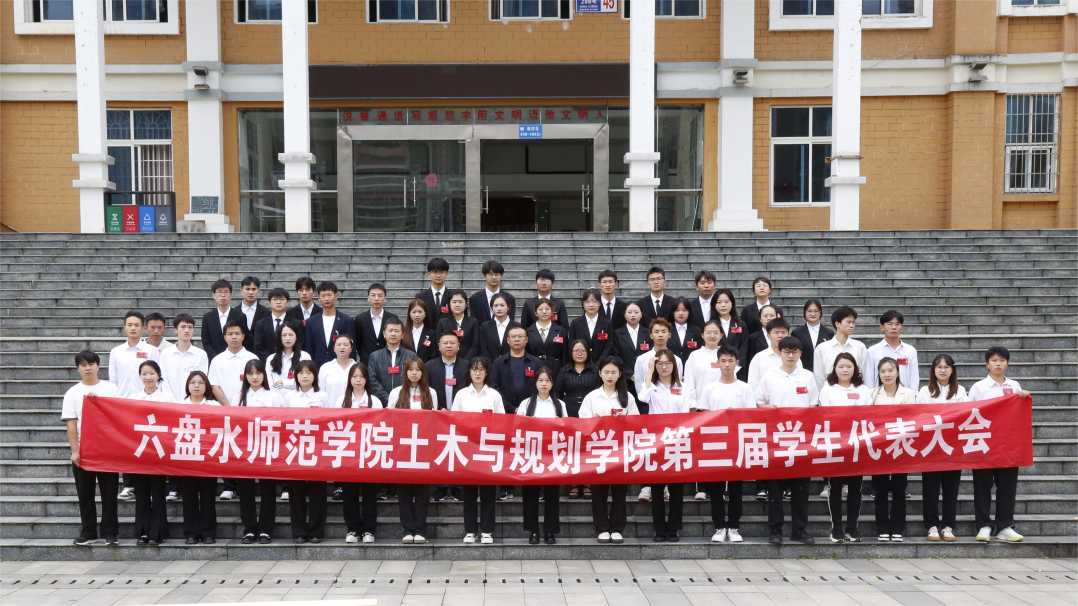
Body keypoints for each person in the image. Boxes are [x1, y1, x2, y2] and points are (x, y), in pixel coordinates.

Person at [755, 336, 818, 546]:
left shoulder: (807, 376)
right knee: (775, 488)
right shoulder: (769, 376)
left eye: (794, 352)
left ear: (800, 354)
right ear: (779, 353)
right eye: (787, 352)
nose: (790, 356)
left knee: (801, 488)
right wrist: (769, 409)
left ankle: (799, 529)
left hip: (802, 439)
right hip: (777, 439)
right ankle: (775, 529)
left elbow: (814, 405)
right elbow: (758, 403)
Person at [968, 346, 1031, 543]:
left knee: (1007, 486)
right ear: (987, 364)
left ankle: (1005, 526)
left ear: (1007, 364)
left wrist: (1023, 397)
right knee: (982, 486)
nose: (998, 364)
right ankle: (984, 525)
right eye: (994, 360)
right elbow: (970, 414)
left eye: (1002, 360)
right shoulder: (979, 388)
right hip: (984, 443)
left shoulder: (1015, 386)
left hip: (1008, 444)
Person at [694, 345, 752, 543]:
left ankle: (734, 527)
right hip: (715, 444)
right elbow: (704, 416)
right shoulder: (710, 388)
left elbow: (751, 416)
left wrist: (736, 415)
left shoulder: (745, 388)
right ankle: (719, 527)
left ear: (737, 363)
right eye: (723, 361)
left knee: (736, 488)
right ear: (717, 363)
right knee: (716, 489)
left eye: (730, 361)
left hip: (737, 444)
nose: (727, 365)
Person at [579, 355, 639, 544]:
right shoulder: (592, 397)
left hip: (620, 451)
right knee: (598, 492)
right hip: (598, 451)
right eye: (606, 372)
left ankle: (617, 528)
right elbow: (581, 422)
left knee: (620, 492)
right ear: (600, 373)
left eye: (614, 372)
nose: (610, 376)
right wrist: (593, 421)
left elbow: (637, 423)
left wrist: (624, 420)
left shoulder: (627, 397)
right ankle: (602, 528)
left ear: (620, 374)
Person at [63, 350, 121, 546]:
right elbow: (71, 424)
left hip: (107, 450)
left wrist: (99, 404)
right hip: (84, 450)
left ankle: (110, 532)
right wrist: (75, 450)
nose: (88, 368)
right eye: (83, 365)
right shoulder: (72, 393)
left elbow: (117, 417)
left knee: (110, 493)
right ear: (78, 369)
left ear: (98, 366)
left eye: (91, 364)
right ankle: (88, 531)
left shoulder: (110, 389)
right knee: (85, 493)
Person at [817, 353, 870, 544]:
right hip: (835, 444)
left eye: (849, 366)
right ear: (835, 369)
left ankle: (852, 527)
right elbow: (826, 417)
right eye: (841, 366)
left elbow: (867, 415)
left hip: (857, 444)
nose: (845, 370)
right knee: (836, 487)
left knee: (856, 487)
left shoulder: (863, 390)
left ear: (855, 368)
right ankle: (836, 528)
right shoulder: (827, 390)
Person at [638, 349, 690, 542]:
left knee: (676, 489)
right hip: (656, 442)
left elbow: (686, 413)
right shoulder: (651, 386)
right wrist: (649, 371)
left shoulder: (682, 387)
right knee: (657, 488)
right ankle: (659, 529)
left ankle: (674, 528)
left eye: (668, 363)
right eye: (660, 363)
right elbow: (642, 397)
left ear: (674, 365)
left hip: (677, 441)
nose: (664, 366)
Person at [451, 357, 504, 544]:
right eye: (474, 369)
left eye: (481, 369)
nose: (478, 373)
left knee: (488, 492)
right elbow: (454, 420)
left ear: (486, 372)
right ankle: (470, 531)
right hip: (467, 449)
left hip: (488, 449)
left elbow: (501, 422)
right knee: (469, 493)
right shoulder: (462, 395)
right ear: (469, 372)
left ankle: (487, 531)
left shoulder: (494, 396)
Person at [388, 358, 438, 544]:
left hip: (424, 448)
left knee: (422, 493)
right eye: (411, 369)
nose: (414, 373)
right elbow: (390, 420)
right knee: (404, 493)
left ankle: (420, 531)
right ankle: (407, 530)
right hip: (402, 448)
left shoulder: (431, 392)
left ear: (423, 372)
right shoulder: (396, 393)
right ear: (405, 372)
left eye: (418, 369)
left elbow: (434, 420)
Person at [917, 354, 967, 543]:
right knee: (930, 488)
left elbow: (965, 415)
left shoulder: (960, 391)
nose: (943, 370)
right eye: (939, 367)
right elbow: (919, 416)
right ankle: (931, 526)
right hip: (931, 445)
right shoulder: (925, 391)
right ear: (933, 370)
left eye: (946, 367)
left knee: (951, 488)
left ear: (952, 369)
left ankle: (948, 526)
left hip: (953, 446)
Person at [236, 359, 285, 544]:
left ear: (264, 375)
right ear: (245, 376)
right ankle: (249, 529)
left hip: (267, 448)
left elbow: (282, 422)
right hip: (245, 449)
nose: (254, 377)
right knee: (246, 491)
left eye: (258, 373)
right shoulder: (238, 397)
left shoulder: (274, 397)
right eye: (250, 373)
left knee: (268, 490)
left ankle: (265, 529)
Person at [868, 357, 916, 542]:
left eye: (890, 370)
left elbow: (912, 419)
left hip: (901, 446)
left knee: (899, 488)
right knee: (880, 489)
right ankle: (882, 528)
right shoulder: (872, 394)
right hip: (879, 447)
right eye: (882, 371)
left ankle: (897, 528)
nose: (886, 374)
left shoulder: (908, 393)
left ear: (897, 372)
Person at [517, 367, 564, 544]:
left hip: (552, 455)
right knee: (530, 494)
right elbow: (518, 428)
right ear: (535, 382)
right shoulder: (526, 404)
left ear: (553, 383)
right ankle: (533, 530)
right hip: (531, 454)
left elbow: (566, 430)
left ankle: (550, 531)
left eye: (548, 380)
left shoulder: (560, 404)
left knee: (552, 494)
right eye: (540, 380)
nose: (544, 384)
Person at [130, 360, 174, 545]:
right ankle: (143, 532)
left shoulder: (167, 398)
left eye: (152, 373)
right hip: (140, 452)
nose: (148, 377)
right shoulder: (134, 399)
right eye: (144, 374)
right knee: (141, 495)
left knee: (158, 494)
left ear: (158, 375)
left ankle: (157, 533)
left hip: (159, 452)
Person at [284, 360, 328, 543]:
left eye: (309, 373)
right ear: (295, 376)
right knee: (296, 493)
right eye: (301, 373)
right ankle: (299, 532)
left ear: (315, 376)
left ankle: (316, 531)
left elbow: (328, 422)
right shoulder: (289, 397)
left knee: (318, 492)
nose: (305, 376)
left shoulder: (322, 396)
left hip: (316, 449)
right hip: (294, 449)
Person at [340, 363, 382, 544]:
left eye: (361, 376)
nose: (358, 380)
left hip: (368, 452)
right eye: (354, 376)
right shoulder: (342, 401)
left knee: (369, 493)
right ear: (350, 379)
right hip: (347, 451)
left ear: (366, 379)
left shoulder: (375, 401)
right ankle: (352, 529)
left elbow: (380, 426)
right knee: (349, 493)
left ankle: (369, 530)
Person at [554, 339, 598, 499]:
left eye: (583, 350)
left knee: (587, 448)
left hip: (589, 413)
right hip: (570, 411)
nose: (579, 353)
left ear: (588, 352)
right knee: (572, 448)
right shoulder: (564, 371)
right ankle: (573, 482)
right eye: (576, 350)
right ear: (571, 353)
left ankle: (587, 483)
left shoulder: (595, 371)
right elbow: (557, 394)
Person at [179, 371, 219, 545]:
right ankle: (191, 533)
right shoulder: (179, 406)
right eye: (192, 382)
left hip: (208, 458)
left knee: (208, 496)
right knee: (189, 497)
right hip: (186, 456)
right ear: (187, 385)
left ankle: (208, 532)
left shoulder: (214, 405)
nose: (196, 386)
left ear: (206, 386)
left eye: (201, 382)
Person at [304, 281, 358, 367]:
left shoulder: (347, 321)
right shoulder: (311, 322)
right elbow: (309, 349)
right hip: (317, 368)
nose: (326, 298)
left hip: (340, 368)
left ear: (336, 296)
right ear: (318, 298)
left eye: (329, 295)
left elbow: (352, 349)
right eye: (323, 295)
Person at [813, 306, 867, 389]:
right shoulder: (822, 348)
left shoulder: (860, 347)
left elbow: (862, 374)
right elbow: (819, 378)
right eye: (849, 322)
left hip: (854, 393)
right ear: (837, 324)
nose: (852, 325)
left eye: (853, 322)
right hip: (829, 393)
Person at [491, 326, 541, 416]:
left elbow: (540, 386)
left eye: (520, 336)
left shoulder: (536, 362)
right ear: (508, 340)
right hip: (505, 411)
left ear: (526, 339)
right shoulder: (499, 362)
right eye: (513, 336)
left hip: (531, 410)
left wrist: (528, 407)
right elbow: (494, 387)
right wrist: (511, 408)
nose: (517, 339)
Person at [633, 318, 684, 407]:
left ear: (669, 335)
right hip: (647, 405)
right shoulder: (641, 359)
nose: (660, 335)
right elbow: (639, 386)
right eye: (656, 332)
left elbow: (677, 383)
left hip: (671, 405)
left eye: (664, 332)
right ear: (651, 335)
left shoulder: (676, 360)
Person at [207, 320, 259, 406]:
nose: (234, 337)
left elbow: (257, 384)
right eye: (230, 334)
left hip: (249, 407)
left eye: (237, 334)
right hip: (224, 408)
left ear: (243, 336)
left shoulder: (253, 358)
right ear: (225, 337)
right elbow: (214, 386)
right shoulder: (216, 360)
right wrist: (229, 407)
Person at [109, 311, 160, 398]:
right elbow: (113, 380)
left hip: (146, 399)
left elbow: (158, 378)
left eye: (136, 325)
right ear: (124, 328)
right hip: (122, 399)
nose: (133, 328)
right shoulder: (116, 352)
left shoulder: (152, 351)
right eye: (129, 325)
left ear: (143, 328)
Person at [864, 310, 919, 391]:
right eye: (890, 324)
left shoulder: (910, 351)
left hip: (904, 396)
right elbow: (869, 378)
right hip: (879, 395)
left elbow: (914, 377)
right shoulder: (872, 351)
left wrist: (913, 395)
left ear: (902, 328)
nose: (894, 327)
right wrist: (871, 395)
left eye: (897, 324)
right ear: (882, 327)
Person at [159, 313, 209, 402]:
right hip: (169, 402)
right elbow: (163, 380)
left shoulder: (201, 355)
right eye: (183, 327)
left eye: (190, 327)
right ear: (175, 329)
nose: (187, 330)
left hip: (193, 403)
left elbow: (202, 381)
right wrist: (171, 400)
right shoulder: (165, 354)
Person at [747, 317, 802, 394]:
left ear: (788, 335)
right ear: (768, 336)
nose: (780, 336)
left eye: (783, 332)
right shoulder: (759, 358)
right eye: (776, 332)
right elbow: (753, 385)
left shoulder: (794, 357)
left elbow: (800, 380)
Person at [368, 319, 417, 404]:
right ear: (384, 334)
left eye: (396, 331)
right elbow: (373, 380)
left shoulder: (411, 355)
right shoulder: (375, 356)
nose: (393, 334)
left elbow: (414, 379)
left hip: (405, 402)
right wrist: (389, 400)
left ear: (402, 335)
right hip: (381, 403)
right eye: (390, 331)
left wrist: (401, 399)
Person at [201, 279, 245, 361]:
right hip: (214, 360)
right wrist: (217, 359)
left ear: (231, 295)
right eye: (219, 292)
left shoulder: (240, 316)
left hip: (236, 359)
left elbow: (243, 339)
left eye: (226, 292)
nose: (223, 295)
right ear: (214, 295)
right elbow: (206, 342)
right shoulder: (207, 317)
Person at [357, 283, 398, 365]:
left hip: (387, 360)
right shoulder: (360, 319)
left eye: (380, 295)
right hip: (366, 361)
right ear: (368, 298)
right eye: (373, 295)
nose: (376, 299)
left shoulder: (392, 318)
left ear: (385, 298)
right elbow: (358, 342)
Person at [266, 319, 310, 396]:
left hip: (299, 398)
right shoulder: (271, 359)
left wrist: (287, 383)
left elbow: (307, 379)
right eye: (284, 335)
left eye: (291, 335)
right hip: (277, 400)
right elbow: (270, 384)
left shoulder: (304, 356)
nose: (287, 338)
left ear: (296, 337)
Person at [683, 320, 722, 404]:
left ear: (721, 335)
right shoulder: (694, 356)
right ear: (702, 335)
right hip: (700, 404)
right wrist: (692, 404)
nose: (712, 336)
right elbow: (689, 383)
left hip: (722, 404)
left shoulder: (726, 355)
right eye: (708, 333)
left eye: (716, 333)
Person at [568, 289, 613, 363]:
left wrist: (599, 364)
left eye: (595, 301)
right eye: (587, 301)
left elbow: (608, 346)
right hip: (581, 364)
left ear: (600, 303)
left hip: (602, 365)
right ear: (583, 304)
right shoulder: (575, 323)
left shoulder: (607, 323)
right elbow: (572, 345)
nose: (591, 304)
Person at [426, 332, 468, 411]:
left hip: (461, 412)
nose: (449, 346)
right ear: (439, 346)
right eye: (445, 343)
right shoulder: (429, 366)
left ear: (458, 346)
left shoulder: (467, 366)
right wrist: (439, 408)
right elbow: (426, 390)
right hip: (437, 412)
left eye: (452, 343)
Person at [712, 290, 749, 379]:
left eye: (726, 302)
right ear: (714, 305)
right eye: (719, 302)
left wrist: (736, 366)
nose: (723, 305)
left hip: (738, 369)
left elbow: (744, 346)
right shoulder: (711, 325)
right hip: (716, 369)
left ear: (732, 303)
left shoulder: (740, 324)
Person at [436, 290, 480, 360]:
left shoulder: (473, 322)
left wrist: (465, 362)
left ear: (466, 304)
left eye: (460, 302)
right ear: (449, 304)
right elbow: (439, 344)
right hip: (448, 361)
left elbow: (475, 345)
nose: (457, 305)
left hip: (468, 362)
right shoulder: (442, 323)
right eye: (454, 302)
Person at [791, 299, 832, 373]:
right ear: (805, 312)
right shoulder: (797, 333)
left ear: (820, 313)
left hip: (824, 372)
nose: (813, 314)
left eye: (816, 311)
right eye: (809, 311)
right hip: (803, 371)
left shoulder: (829, 333)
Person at [525, 298, 567, 371]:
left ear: (552, 311)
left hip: (556, 369)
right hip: (535, 367)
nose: (544, 312)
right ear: (535, 312)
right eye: (540, 309)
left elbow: (565, 353)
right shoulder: (528, 332)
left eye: (547, 309)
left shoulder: (560, 331)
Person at [319, 334, 358, 411]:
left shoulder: (357, 368)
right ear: (334, 348)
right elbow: (321, 392)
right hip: (330, 411)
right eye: (339, 345)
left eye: (346, 345)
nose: (342, 347)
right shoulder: (325, 368)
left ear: (351, 348)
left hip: (353, 411)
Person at [252, 287, 291, 360]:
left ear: (287, 302)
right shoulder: (260, 324)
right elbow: (258, 346)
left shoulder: (295, 323)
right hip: (266, 362)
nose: (278, 302)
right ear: (270, 302)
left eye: (282, 299)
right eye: (275, 299)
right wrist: (271, 360)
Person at [478, 293, 520, 360]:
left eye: (502, 305)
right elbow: (483, 349)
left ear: (508, 307)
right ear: (491, 308)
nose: (499, 308)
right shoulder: (485, 327)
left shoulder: (517, 327)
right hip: (490, 364)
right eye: (496, 305)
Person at [743, 304, 779, 376]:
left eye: (772, 316)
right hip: (761, 374)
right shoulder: (753, 338)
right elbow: (749, 359)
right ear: (760, 319)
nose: (769, 318)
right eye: (765, 316)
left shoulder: (783, 336)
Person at [238, 276, 270, 352]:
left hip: (260, 354)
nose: (250, 292)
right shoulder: (234, 312)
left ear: (258, 292)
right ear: (241, 291)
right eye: (247, 289)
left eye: (254, 289)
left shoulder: (267, 313)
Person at [415, 257, 451, 327]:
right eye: (435, 272)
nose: (438, 275)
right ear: (429, 274)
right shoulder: (420, 297)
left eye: (441, 272)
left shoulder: (452, 296)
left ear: (446, 274)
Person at [667, 297, 702, 363]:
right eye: (677, 310)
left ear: (689, 312)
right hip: (671, 366)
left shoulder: (697, 331)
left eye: (684, 310)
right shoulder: (666, 330)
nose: (681, 313)